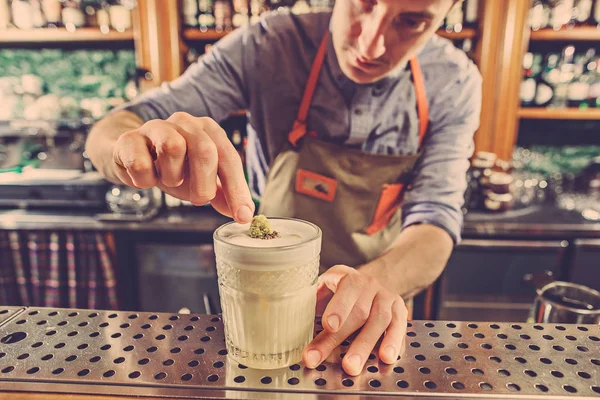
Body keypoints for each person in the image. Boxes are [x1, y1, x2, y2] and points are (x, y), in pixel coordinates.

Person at [86, 0, 481, 376]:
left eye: (412, 22)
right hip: (258, 314)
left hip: (369, 314)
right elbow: (110, 131)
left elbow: (436, 221)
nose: (371, 44)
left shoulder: (453, 81)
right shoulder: (268, 44)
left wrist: (371, 287)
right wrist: (131, 151)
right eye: (365, 3)